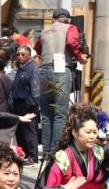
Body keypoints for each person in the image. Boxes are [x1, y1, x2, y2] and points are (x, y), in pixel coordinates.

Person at [34, 9, 89, 154]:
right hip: (61, 69)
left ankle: (46, 150)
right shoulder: (71, 28)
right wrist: (79, 56)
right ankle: (56, 149)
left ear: (53, 19)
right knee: (60, 112)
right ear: (68, 20)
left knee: (46, 114)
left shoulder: (45, 32)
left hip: (44, 69)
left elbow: (37, 47)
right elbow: (72, 42)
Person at [10, 45, 40, 164]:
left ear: (29, 55)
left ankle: (33, 156)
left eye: (23, 54)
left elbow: (35, 88)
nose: (20, 57)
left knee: (29, 131)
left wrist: (33, 104)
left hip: (28, 104)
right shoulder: (21, 68)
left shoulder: (33, 68)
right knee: (20, 132)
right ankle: (24, 154)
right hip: (18, 103)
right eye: (18, 54)